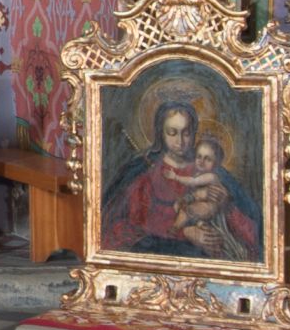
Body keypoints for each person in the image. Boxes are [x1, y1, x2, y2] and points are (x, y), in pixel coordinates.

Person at [99, 88, 260, 259]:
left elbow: (250, 228)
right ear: (161, 133)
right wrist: (186, 233)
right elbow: (127, 226)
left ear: (194, 132)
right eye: (172, 133)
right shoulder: (144, 172)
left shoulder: (210, 171)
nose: (180, 141)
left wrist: (225, 203)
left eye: (186, 133)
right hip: (158, 256)